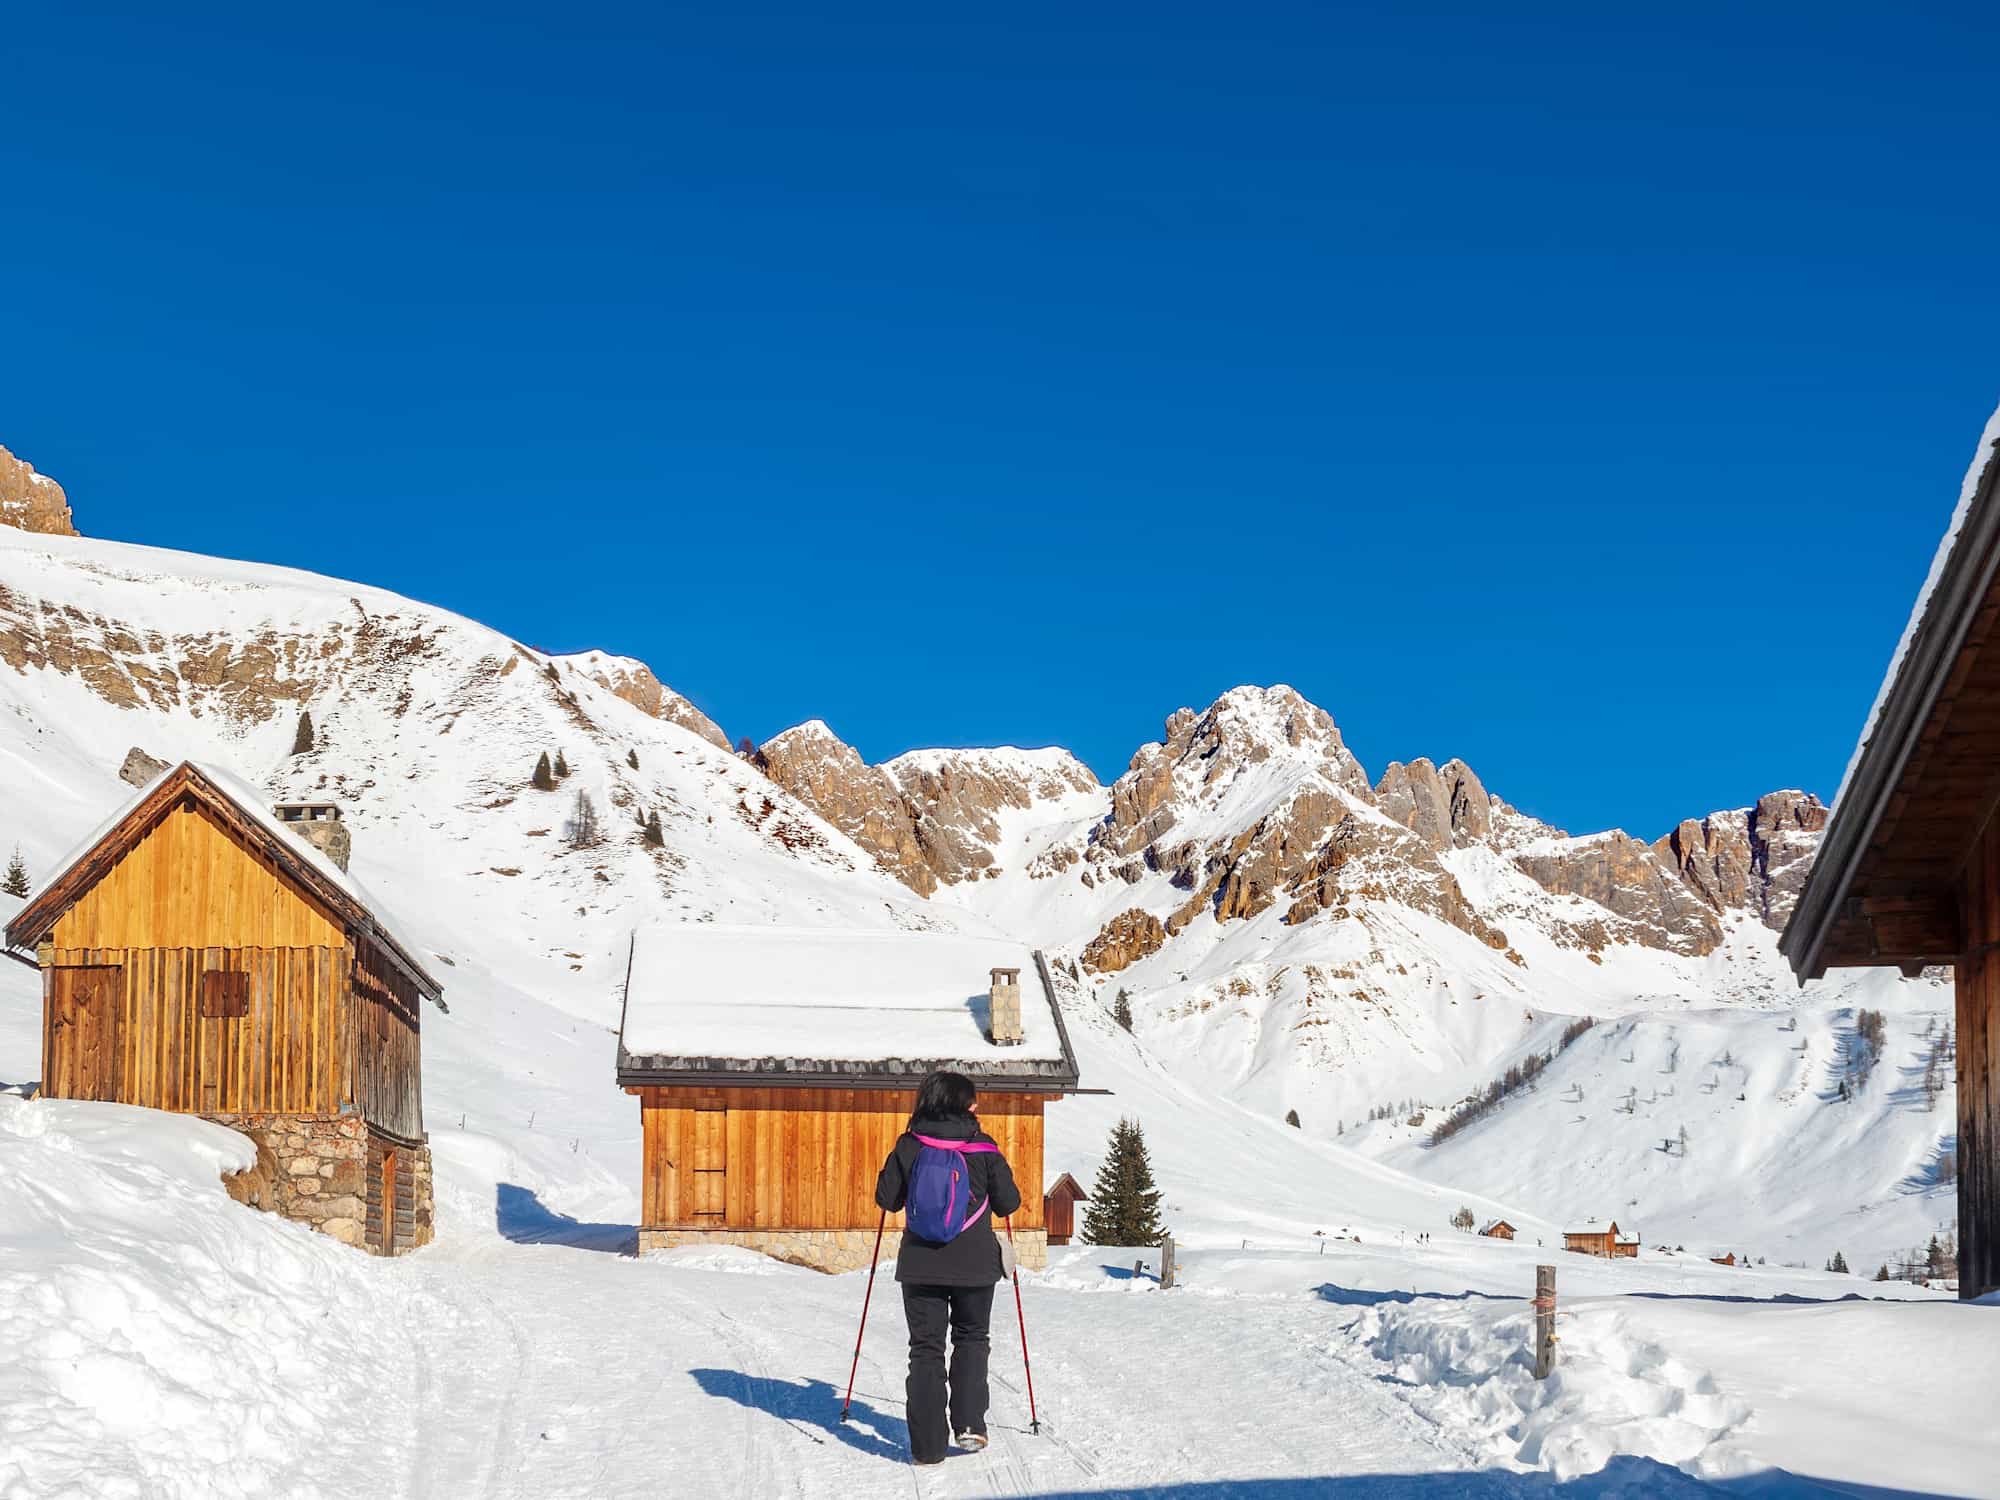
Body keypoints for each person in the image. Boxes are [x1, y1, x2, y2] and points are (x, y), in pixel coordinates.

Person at [874, 1069, 1022, 1466]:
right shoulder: (984, 1148)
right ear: (963, 1104)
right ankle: (970, 1424)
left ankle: (927, 1447)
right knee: (972, 1339)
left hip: (921, 1264)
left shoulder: (909, 1144)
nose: (977, 1106)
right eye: (973, 1100)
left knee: (925, 1350)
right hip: (975, 1264)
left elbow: (886, 1199)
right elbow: (1009, 1203)